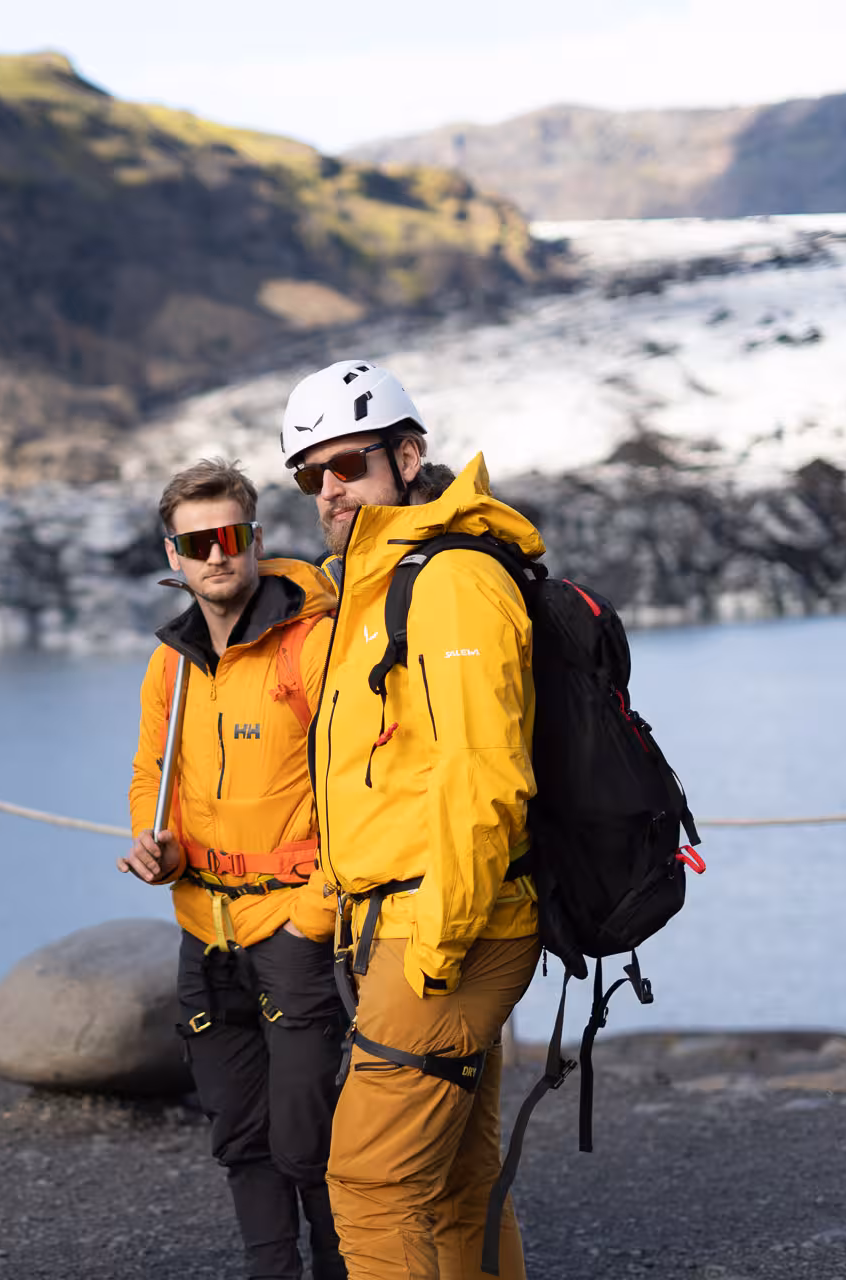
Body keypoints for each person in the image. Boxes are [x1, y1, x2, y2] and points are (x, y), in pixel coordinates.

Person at [282, 361, 544, 1280]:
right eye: (310, 476)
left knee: (371, 1185)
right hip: (407, 918)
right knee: (456, 1181)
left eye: (347, 465)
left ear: (408, 453)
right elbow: (384, 780)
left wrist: (434, 945)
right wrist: (325, 903)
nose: (329, 490)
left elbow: (487, 778)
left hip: (448, 926)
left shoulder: (451, 583)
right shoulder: (377, 584)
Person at [121, 458, 348, 1280]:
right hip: (201, 930)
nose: (218, 554)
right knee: (239, 1135)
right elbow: (156, 774)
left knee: (308, 1137)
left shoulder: (312, 647)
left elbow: (360, 787)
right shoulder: (171, 665)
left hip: (296, 928)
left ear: (254, 540)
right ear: (173, 557)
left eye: (232, 536)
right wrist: (160, 843)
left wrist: (315, 914)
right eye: (198, 542)